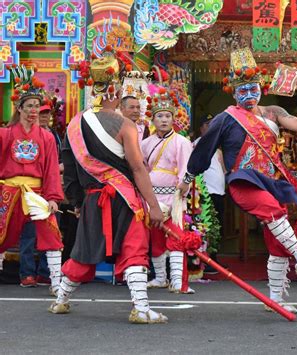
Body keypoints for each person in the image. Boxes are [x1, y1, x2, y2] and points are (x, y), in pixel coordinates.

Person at [177, 47, 297, 313]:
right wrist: (188, 178)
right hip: (243, 180)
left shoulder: (273, 112)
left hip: (272, 180)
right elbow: (204, 149)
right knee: (274, 212)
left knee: (276, 239)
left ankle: (276, 298)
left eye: (253, 89)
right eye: (243, 91)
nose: (249, 96)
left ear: (260, 87)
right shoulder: (226, 119)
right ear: (234, 92)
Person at [49, 47, 167, 324]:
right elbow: (138, 168)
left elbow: (71, 173)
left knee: (85, 251)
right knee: (134, 246)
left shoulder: (74, 125)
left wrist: (78, 203)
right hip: (125, 200)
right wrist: (153, 206)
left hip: (92, 199)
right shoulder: (124, 125)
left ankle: (60, 301)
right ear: (115, 90)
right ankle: (140, 308)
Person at [0, 65, 63, 294]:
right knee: (1, 233)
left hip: (36, 192)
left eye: (37, 106)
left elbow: (51, 171)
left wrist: (53, 197)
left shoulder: (46, 137)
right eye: (29, 106)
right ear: (19, 108)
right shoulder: (5, 134)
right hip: (9, 190)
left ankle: (56, 283)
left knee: (50, 233)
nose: (34, 111)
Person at [140, 85, 194, 293]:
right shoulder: (145, 143)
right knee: (155, 236)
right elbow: (142, 169)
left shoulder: (182, 142)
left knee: (176, 236)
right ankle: (161, 277)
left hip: (174, 195)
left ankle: (178, 280)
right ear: (153, 120)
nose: (163, 120)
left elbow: (186, 167)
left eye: (167, 116)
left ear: (173, 119)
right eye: (159, 116)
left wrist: (183, 186)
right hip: (152, 196)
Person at [195, 114, 226, 274]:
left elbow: (223, 168)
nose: (211, 127)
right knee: (207, 225)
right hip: (206, 191)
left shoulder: (217, 147)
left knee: (217, 226)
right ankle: (206, 261)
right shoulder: (197, 144)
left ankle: (213, 259)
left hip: (219, 191)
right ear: (202, 128)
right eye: (208, 124)